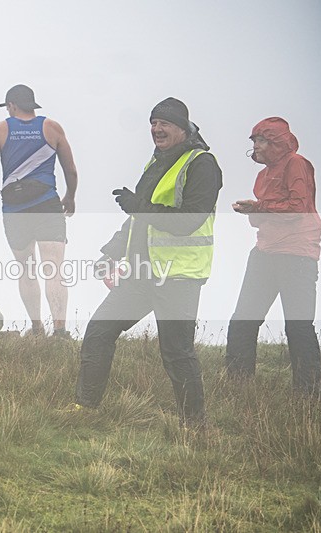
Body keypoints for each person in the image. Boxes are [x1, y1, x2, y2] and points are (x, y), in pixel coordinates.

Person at [74, 97, 222, 428]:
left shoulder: (202, 164)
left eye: (164, 123)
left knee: (176, 352)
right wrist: (111, 252)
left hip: (178, 276)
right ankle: (85, 409)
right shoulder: (156, 163)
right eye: (153, 123)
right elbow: (137, 221)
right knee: (99, 331)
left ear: (182, 128)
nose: (156, 129)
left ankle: (195, 426)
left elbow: (188, 221)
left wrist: (138, 206)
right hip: (141, 275)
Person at [0, 84, 78, 337]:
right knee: (54, 268)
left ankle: (37, 328)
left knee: (26, 270)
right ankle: (60, 331)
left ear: (12, 105)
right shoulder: (51, 127)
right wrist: (70, 196)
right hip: (46, 203)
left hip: (15, 208)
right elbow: (70, 169)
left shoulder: (1, 129)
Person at [226, 118, 321, 396]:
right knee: (243, 320)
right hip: (264, 253)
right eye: (254, 140)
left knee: (298, 327)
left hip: (297, 256)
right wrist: (252, 211)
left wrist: (258, 207)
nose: (256, 146)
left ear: (276, 142)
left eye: (261, 140)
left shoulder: (297, 164)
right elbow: (264, 218)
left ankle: (308, 395)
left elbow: (298, 207)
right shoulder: (263, 175)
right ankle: (237, 388)